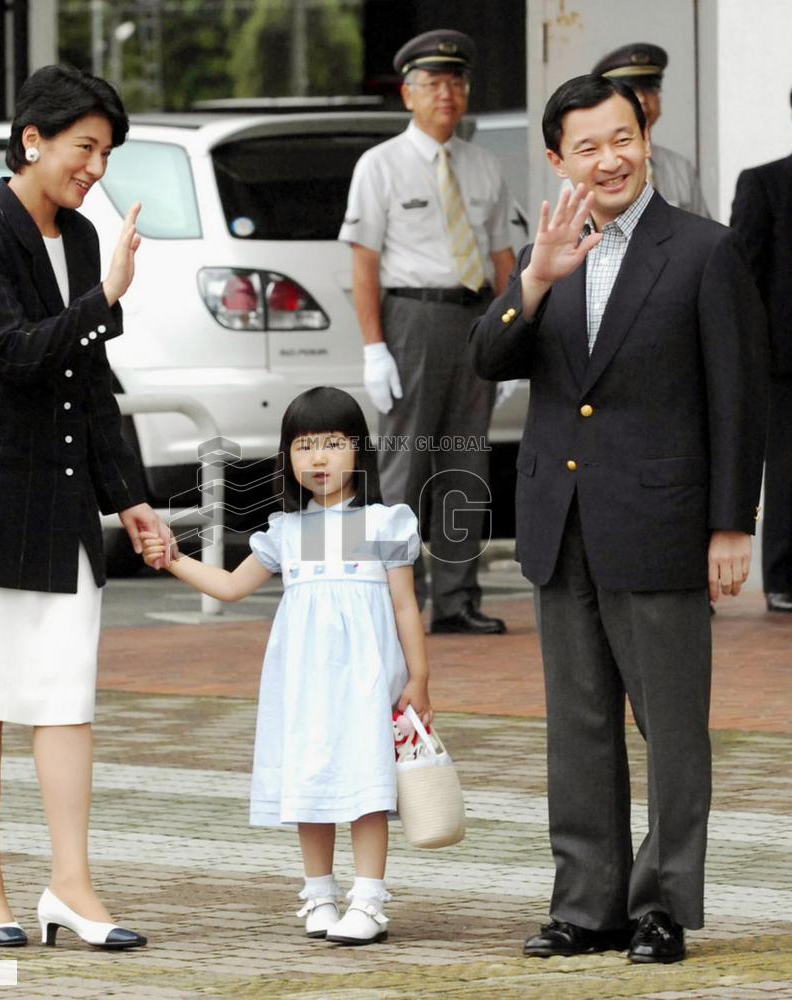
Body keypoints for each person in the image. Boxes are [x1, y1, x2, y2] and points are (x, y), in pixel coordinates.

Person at [469, 75, 767, 964]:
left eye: (621, 138)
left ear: (645, 139)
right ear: (557, 160)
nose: (609, 158)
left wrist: (729, 525)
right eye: (587, 146)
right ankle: (585, 904)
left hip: (663, 524)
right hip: (560, 524)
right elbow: (489, 357)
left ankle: (663, 904)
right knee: (579, 725)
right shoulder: (550, 253)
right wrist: (533, 279)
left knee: (671, 729)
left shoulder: (703, 251)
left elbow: (737, 399)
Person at [0, 65, 168, 950]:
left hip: (59, 508)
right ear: (33, 140)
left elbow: (88, 380)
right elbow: (15, 354)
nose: (94, 168)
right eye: (82, 148)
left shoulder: (85, 240)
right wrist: (105, 300)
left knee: (66, 699)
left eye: (104, 152)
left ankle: (72, 885)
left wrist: (128, 497)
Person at [141, 386, 432, 946]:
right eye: (304, 447)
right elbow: (228, 586)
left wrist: (419, 679)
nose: (318, 458)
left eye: (332, 443)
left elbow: (404, 606)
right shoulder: (285, 532)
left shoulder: (383, 523)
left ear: (359, 450)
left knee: (367, 787)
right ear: (286, 458)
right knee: (311, 783)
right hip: (303, 683)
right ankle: (320, 895)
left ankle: (368, 900)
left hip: (368, 681)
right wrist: (174, 558)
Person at [339, 29, 514, 636]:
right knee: (405, 461)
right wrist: (373, 348)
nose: (448, 93)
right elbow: (363, 262)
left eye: (457, 82)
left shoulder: (486, 164)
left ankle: (458, 597)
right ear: (409, 94)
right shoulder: (380, 165)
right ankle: (389, 599)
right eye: (434, 83)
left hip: (476, 316)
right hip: (412, 317)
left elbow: (502, 259)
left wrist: (511, 335)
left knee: (467, 459)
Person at [730, 92, 792, 613]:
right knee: (788, 467)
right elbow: (744, 276)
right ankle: (784, 577)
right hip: (785, 357)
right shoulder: (765, 182)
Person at [592, 42, 708, 217]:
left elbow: (704, 236)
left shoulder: (680, 168)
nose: (642, 99)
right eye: (630, 91)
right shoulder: (589, 170)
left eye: (650, 89)